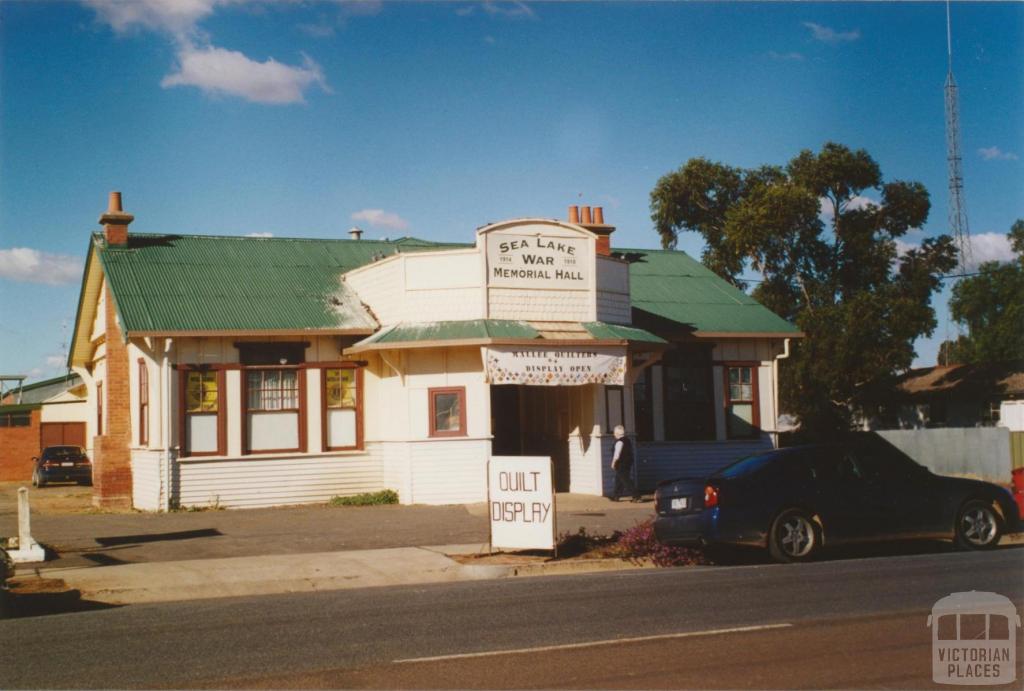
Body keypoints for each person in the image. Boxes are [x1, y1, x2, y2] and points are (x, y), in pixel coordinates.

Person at [610, 424, 641, 502]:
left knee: (626, 480)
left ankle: (636, 496)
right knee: (619, 479)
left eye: (614, 433)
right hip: (628, 462)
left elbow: (617, 454)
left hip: (621, 464)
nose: (614, 434)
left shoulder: (619, 442)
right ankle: (616, 496)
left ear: (617, 434)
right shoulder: (627, 440)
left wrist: (613, 463)